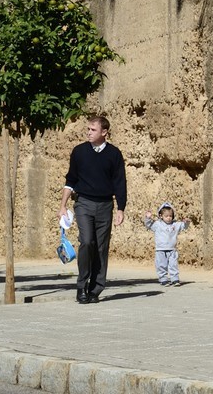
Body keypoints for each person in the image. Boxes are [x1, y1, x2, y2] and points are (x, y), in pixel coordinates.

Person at [60, 115, 126, 304]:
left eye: (93, 130)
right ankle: (81, 285)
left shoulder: (114, 154)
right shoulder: (79, 152)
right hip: (84, 203)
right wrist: (63, 206)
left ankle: (95, 289)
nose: (88, 132)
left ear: (104, 132)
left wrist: (120, 208)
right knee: (87, 241)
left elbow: (120, 182)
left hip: (105, 205)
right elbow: (70, 180)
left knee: (101, 247)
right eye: (87, 129)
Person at [142, 203, 191, 286]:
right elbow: (149, 225)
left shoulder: (175, 225)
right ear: (161, 216)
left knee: (173, 264)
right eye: (166, 216)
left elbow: (184, 226)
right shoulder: (157, 224)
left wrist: (186, 222)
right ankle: (163, 279)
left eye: (170, 216)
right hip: (160, 249)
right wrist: (148, 218)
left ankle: (174, 278)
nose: (169, 218)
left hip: (172, 249)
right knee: (161, 265)